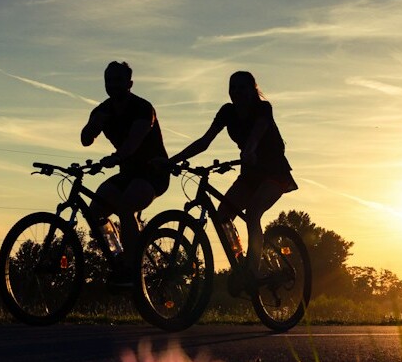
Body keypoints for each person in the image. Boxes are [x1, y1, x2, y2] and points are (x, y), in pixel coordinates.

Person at [166, 70, 297, 288]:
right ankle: (240, 263)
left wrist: (250, 149)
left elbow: (257, 132)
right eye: (232, 88)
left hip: (275, 172)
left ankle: (253, 270)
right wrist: (172, 161)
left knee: (253, 211)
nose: (236, 92)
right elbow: (204, 141)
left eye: (242, 87)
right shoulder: (227, 112)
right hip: (250, 174)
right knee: (223, 215)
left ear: (253, 90)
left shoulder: (263, 108)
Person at [81, 61, 169, 279]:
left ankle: (133, 267)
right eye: (108, 81)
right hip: (128, 174)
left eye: (118, 80)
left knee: (126, 205)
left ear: (129, 83)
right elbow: (85, 139)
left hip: (153, 172)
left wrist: (116, 157)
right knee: (94, 212)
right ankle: (119, 255)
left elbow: (133, 142)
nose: (113, 85)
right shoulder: (102, 110)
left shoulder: (143, 108)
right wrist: (92, 126)